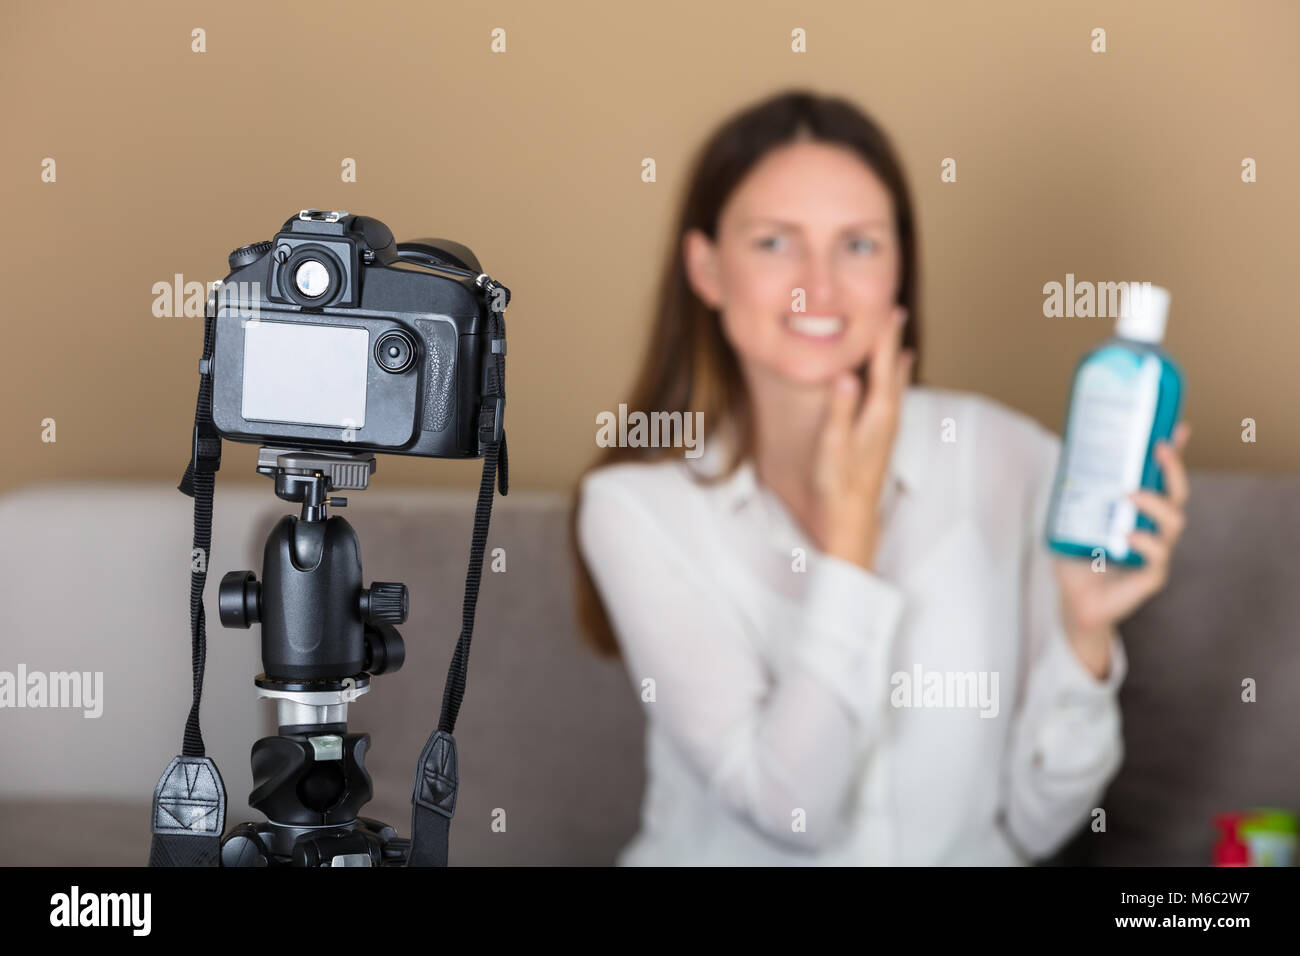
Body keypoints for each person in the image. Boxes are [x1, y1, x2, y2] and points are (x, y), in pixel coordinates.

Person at [568, 89, 1192, 865]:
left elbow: (1033, 829)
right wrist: (851, 534)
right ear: (706, 268)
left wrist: (1085, 633)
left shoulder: (1012, 458)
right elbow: (789, 812)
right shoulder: (635, 509)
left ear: (900, 268)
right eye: (774, 243)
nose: (818, 288)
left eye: (859, 245)